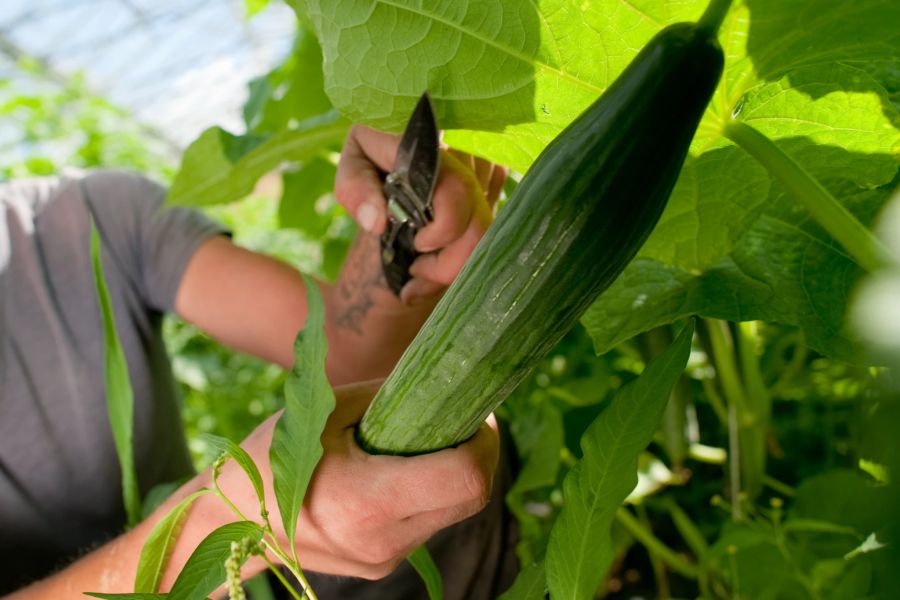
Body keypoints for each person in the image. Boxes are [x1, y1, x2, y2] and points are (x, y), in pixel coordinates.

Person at [0, 125, 517, 598]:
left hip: (252, 584)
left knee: (434, 474)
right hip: (222, 567)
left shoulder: (78, 219)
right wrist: (227, 523)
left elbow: (345, 348)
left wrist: (399, 214)